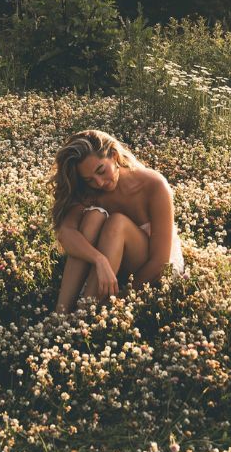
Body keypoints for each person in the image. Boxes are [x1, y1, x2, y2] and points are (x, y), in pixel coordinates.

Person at [49, 130, 186, 314]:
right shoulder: (91, 191)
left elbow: (160, 264)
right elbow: (66, 233)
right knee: (93, 217)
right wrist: (99, 260)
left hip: (156, 269)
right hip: (114, 267)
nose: (99, 183)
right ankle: (61, 312)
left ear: (114, 156)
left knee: (117, 223)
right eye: (89, 179)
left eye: (101, 171)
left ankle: (85, 313)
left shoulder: (154, 185)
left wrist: (120, 299)